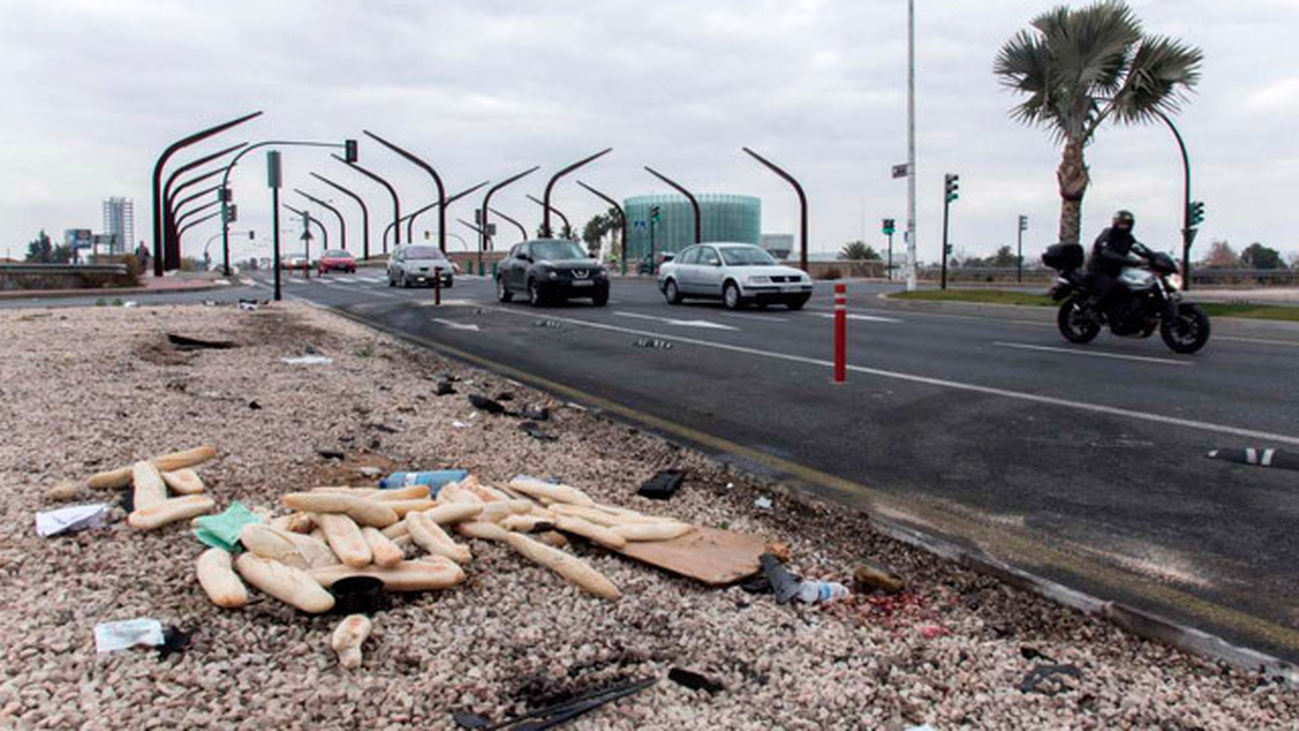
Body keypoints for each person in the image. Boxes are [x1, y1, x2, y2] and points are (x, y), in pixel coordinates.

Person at [1087, 210, 1141, 318]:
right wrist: (1131, 261)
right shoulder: (1107, 234)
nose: (1123, 226)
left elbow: (1139, 248)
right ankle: (1093, 309)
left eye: (1126, 224)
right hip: (1099, 272)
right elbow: (1107, 252)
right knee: (1114, 286)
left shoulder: (1128, 237)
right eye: (1121, 223)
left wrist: (1155, 257)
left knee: (1133, 285)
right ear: (1115, 223)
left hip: (1116, 271)